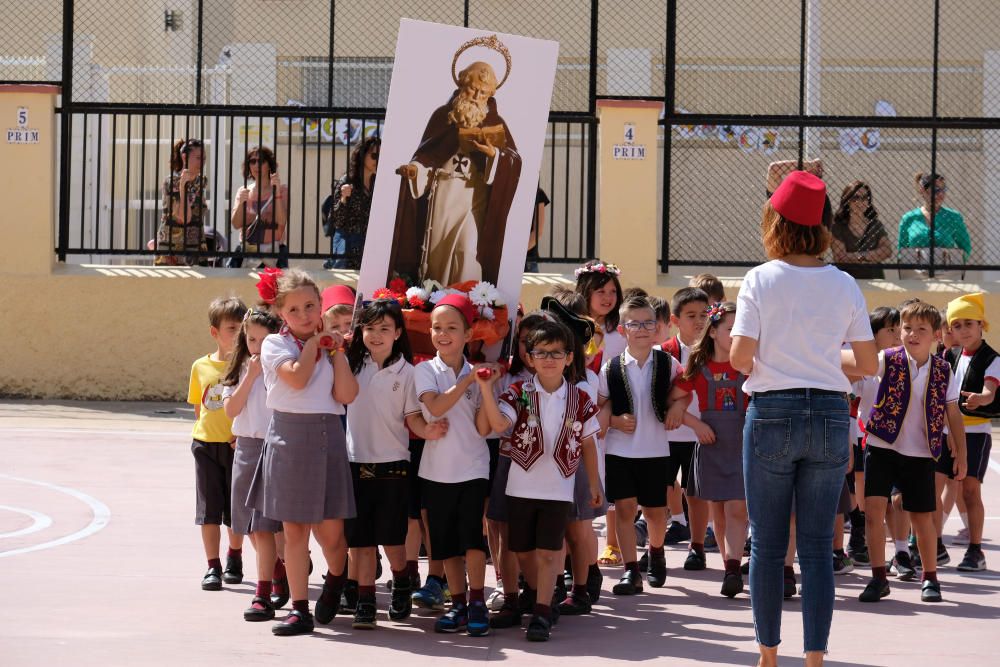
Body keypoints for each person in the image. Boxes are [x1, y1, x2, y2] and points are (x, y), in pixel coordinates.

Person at [729, 170, 877, 667]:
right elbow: (868, 364)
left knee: (767, 543)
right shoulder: (843, 284)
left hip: (772, 411)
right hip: (832, 415)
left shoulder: (760, 278)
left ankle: (768, 655)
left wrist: (785, 355)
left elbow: (739, 357)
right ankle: (815, 657)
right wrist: (818, 357)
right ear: (821, 228)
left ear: (775, 221)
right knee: (817, 547)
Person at [477, 320, 602, 641]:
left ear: (569, 357)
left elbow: (588, 442)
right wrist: (485, 391)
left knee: (549, 550)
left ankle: (543, 611)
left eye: (556, 353)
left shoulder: (580, 398)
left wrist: (594, 484)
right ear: (530, 358)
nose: (549, 359)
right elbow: (497, 423)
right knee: (522, 550)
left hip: (558, 486)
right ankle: (535, 595)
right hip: (520, 484)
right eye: (541, 353)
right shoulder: (517, 392)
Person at [250, 269, 359, 636]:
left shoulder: (333, 345)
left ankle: (336, 578)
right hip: (288, 439)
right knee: (294, 534)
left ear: (320, 304)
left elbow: (346, 395)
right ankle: (300, 609)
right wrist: (315, 345)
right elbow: (295, 378)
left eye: (310, 305)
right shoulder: (274, 345)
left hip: (327, 436)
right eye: (294, 309)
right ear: (281, 313)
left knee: (332, 537)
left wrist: (338, 351)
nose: (304, 315)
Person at [343, 298, 447, 629]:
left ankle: (402, 581)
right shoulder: (348, 365)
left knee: (392, 539)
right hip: (354, 464)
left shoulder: (409, 372)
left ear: (397, 332)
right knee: (359, 541)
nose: (376, 335)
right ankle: (366, 600)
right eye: (369, 328)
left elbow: (412, 417)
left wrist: (427, 430)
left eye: (384, 329)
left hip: (394, 466)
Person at [859, 300, 967, 604]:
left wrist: (961, 452)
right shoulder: (887, 359)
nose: (913, 334)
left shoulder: (944, 370)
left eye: (922, 329)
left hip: (921, 452)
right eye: (907, 328)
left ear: (936, 335)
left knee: (922, 517)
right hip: (881, 446)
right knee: (874, 513)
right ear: (899, 332)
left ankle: (930, 577)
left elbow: (953, 413)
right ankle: (879, 577)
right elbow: (856, 362)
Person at [389, 60, 522, 285]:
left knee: (468, 250)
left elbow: (514, 160)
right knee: (438, 254)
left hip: (474, 198)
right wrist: (415, 170)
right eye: (472, 88)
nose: (476, 95)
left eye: (483, 92)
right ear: (462, 84)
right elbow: (426, 156)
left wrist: (494, 155)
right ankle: (438, 298)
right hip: (444, 193)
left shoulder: (495, 121)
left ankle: (466, 302)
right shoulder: (442, 116)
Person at [415, 294, 494, 636]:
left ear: (468, 334)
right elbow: (434, 409)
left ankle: (477, 601)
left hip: (474, 468)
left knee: (473, 541)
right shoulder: (425, 370)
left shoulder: (482, 374)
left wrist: (486, 390)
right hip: (436, 472)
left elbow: (483, 428)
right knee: (444, 543)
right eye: (437, 328)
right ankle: (458, 603)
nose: (443, 334)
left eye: (451, 328)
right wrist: (467, 382)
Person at [598, 295, 679, 595]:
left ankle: (656, 551)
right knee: (624, 508)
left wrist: (678, 408)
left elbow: (683, 392)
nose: (642, 329)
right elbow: (602, 405)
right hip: (620, 450)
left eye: (648, 323)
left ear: (658, 327)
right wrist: (615, 421)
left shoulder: (668, 363)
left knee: (656, 512)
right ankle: (630, 570)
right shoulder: (611, 367)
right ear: (622, 330)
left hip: (655, 449)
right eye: (635, 324)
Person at [668, 301, 750, 598]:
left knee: (738, 508)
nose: (737, 335)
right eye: (731, 329)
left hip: (743, 444)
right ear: (713, 331)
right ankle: (728, 565)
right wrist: (695, 424)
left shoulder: (750, 366)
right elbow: (673, 399)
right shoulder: (698, 368)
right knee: (719, 510)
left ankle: (732, 568)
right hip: (712, 445)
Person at [485, 312, 550, 628]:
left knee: (541, 537)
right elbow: (497, 424)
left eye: (541, 341)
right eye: (526, 341)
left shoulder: (562, 383)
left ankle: (541, 596)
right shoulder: (507, 381)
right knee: (506, 531)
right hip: (511, 461)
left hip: (548, 467)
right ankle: (510, 596)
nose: (533, 348)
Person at [221, 307, 284, 620]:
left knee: (264, 526)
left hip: (272, 448)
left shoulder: (282, 368)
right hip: (245, 448)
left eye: (264, 339)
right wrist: (250, 375)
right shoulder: (242, 369)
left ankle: (263, 593)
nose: (256, 346)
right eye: (251, 339)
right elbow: (231, 409)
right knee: (245, 524)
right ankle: (278, 571)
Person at [188, 296, 247, 591]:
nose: (237, 336)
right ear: (215, 332)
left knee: (235, 509)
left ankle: (235, 555)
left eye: (241, 329)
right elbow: (199, 408)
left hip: (237, 446)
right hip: (206, 446)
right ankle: (213, 566)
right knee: (209, 509)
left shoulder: (249, 367)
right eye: (231, 329)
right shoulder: (200, 366)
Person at [942, 292, 998, 572]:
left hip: (975, 432)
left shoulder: (992, 359)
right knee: (933, 485)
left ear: (981, 325)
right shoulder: (949, 355)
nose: (963, 330)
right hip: (946, 432)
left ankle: (976, 550)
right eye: (957, 325)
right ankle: (926, 545)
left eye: (969, 323)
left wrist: (981, 398)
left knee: (969, 490)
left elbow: (990, 391)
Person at [661, 287, 714, 564]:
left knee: (696, 493)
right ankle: (656, 549)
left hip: (701, 435)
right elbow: (660, 397)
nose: (698, 321)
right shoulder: (664, 353)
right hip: (667, 435)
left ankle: (697, 546)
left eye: (704, 314)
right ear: (675, 319)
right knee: (661, 492)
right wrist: (679, 406)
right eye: (690, 315)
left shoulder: (715, 351)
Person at [847, 306, 902, 567]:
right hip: (866, 438)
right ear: (873, 334)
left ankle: (902, 550)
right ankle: (860, 538)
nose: (897, 334)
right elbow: (850, 392)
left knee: (896, 499)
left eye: (897, 329)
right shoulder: (866, 365)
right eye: (890, 329)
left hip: (899, 442)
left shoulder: (906, 363)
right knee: (866, 493)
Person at [324, 137, 380, 270]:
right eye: (374, 155)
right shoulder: (348, 180)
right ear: (362, 155)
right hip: (348, 245)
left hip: (369, 247)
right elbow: (337, 220)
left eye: (381, 156)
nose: (377, 160)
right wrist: (344, 198)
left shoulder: (377, 182)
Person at [897, 172, 971, 272]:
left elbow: (966, 249)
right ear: (923, 190)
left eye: (943, 189)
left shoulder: (953, 217)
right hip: (917, 278)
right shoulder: (909, 218)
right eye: (936, 190)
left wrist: (950, 264)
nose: (941, 194)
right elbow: (901, 251)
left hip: (946, 277)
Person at [230, 147, 288, 269]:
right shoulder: (243, 190)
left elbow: (282, 222)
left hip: (273, 255)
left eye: (261, 161)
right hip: (247, 254)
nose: (256, 165)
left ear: (269, 165)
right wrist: (241, 203)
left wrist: (276, 192)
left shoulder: (282, 190)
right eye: (252, 161)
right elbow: (236, 224)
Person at [155, 139, 208, 266]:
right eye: (198, 158)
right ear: (184, 157)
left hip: (196, 245)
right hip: (172, 248)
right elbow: (183, 217)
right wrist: (183, 186)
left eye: (204, 158)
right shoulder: (171, 182)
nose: (202, 162)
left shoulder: (201, 181)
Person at [830, 181, 892, 280]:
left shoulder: (875, 225)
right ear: (847, 200)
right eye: (855, 198)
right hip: (848, 282)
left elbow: (887, 251)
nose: (860, 202)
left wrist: (859, 256)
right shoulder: (838, 227)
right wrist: (872, 256)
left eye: (864, 198)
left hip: (875, 280)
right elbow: (840, 257)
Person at [525, 187, 549, 273]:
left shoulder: (537, 192)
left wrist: (517, 254)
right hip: (505, 259)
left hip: (528, 259)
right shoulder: (506, 189)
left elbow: (538, 232)